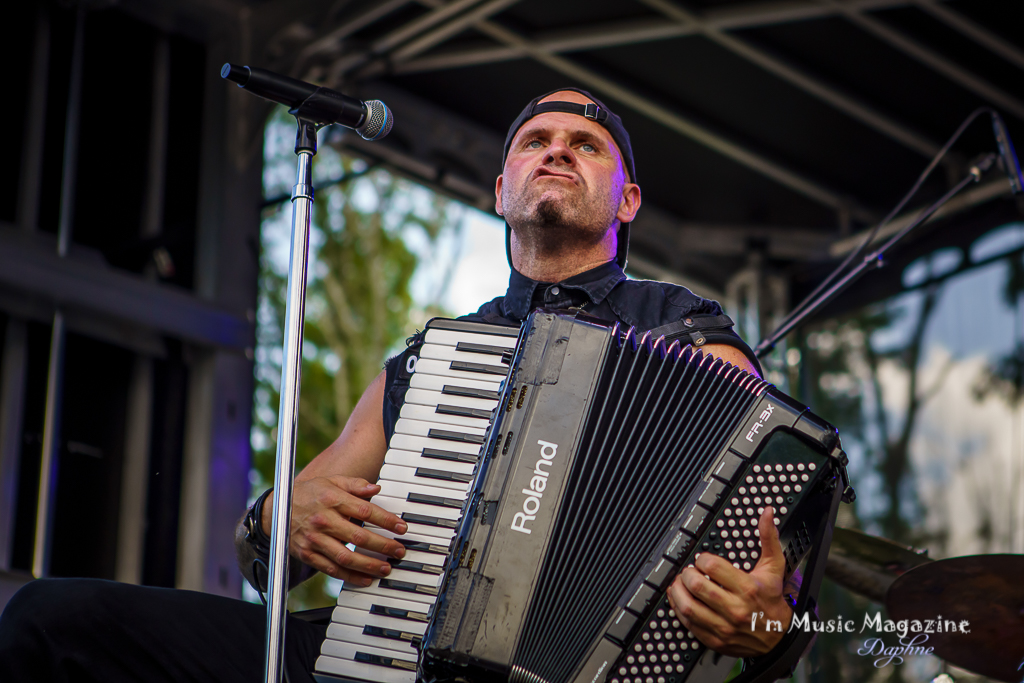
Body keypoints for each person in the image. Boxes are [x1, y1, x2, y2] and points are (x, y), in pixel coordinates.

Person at [0, 88, 795, 683]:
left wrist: (768, 614)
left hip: (589, 669)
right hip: (389, 654)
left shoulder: (685, 333)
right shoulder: (430, 362)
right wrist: (285, 511)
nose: (556, 149)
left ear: (626, 200)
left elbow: (770, 550)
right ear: (499, 191)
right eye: (535, 141)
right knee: (51, 620)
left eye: (585, 144)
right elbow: (262, 554)